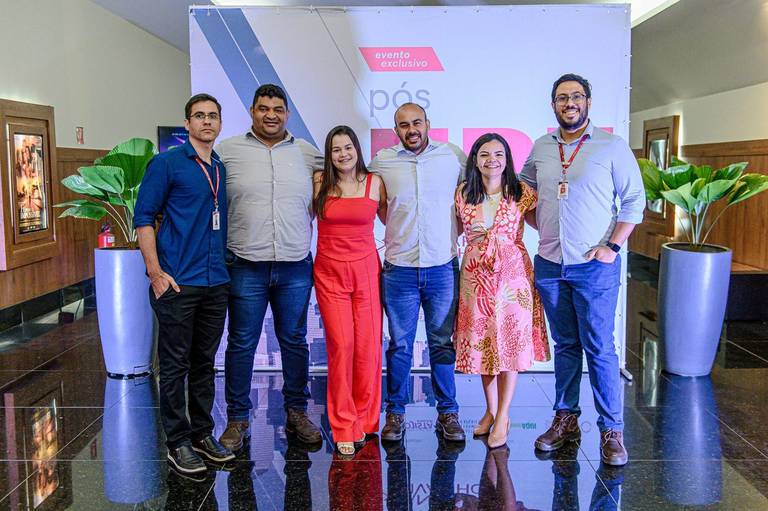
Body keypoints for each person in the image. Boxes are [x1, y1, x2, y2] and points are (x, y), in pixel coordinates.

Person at [520, 73, 645, 466]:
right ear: (553, 105)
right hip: (550, 264)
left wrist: (612, 247)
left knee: (600, 348)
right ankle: (566, 420)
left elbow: (634, 201)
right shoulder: (541, 147)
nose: (569, 103)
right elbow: (523, 194)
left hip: (594, 266)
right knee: (566, 346)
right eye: (562, 97)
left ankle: (611, 431)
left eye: (576, 96)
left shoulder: (611, 146)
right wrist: (542, 226)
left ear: (588, 101)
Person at [216, 84, 324, 451]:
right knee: (242, 342)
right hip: (245, 264)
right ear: (252, 111)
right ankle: (237, 419)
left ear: (287, 114)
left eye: (278, 109)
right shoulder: (227, 151)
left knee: (294, 341)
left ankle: (297, 412)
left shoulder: (307, 153)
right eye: (264, 108)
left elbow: (343, 176)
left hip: (295, 265)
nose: (271, 115)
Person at [135, 93, 235, 475]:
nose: (207, 121)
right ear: (188, 123)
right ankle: (177, 442)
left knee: (204, 363)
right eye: (199, 116)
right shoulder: (167, 163)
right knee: (175, 365)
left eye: (213, 116)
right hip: (177, 283)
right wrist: (155, 273)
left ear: (220, 123)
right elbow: (144, 218)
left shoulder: (219, 166)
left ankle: (201, 434)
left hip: (215, 281)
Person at [369, 102, 467, 442]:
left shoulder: (452, 156)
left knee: (441, 343)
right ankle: (395, 414)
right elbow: (371, 200)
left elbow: (475, 195)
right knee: (400, 346)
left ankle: (448, 413)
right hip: (400, 269)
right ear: (396, 130)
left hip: (442, 267)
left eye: (417, 123)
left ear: (428, 123)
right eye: (404, 125)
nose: (411, 130)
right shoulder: (382, 161)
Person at [454, 133, 550, 449]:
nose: (491, 160)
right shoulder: (463, 193)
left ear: (507, 159)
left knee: (509, 344)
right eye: (484, 154)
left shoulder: (521, 192)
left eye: (498, 154)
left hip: (513, 278)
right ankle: (491, 410)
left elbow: (544, 222)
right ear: (475, 159)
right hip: (475, 278)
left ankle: (504, 415)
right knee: (484, 345)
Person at [312, 125, 386, 455]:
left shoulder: (375, 183)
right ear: (329, 155)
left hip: (367, 271)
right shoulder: (319, 182)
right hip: (330, 274)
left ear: (357, 149)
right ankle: (343, 423)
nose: (343, 154)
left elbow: (392, 220)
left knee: (368, 348)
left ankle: (366, 419)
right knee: (342, 346)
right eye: (336, 149)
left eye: (348, 147)